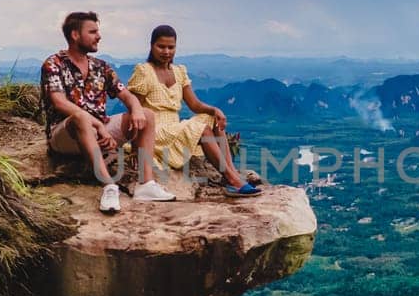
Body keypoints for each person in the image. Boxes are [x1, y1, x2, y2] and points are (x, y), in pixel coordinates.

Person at [42, 11, 176, 213]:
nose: (99, 36)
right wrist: (97, 126)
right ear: (75, 35)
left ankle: (146, 185)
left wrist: (137, 109)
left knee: (147, 115)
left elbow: (126, 95)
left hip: (100, 129)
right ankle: (109, 186)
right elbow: (59, 102)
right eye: (93, 31)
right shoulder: (54, 64)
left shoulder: (100, 67)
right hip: (66, 135)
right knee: (79, 118)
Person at [127, 25, 261, 197]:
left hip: (173, 127)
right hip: (155, 131)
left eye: (171, 47)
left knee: (212, 120)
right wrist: (135, 144)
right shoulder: (144, 71)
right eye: (161, 46)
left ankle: (232, 173)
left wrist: (214, 110)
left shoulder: (179, 71)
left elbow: (194, 104)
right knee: (201, 129)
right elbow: (134, 108)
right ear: (152, 46)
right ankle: (232, 179)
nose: (166, 51)